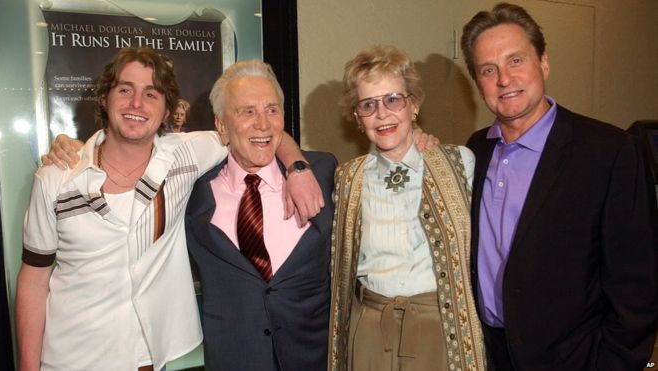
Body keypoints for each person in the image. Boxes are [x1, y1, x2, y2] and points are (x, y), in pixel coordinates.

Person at [15, 47, 323, 371]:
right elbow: (34, 279)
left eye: (151, 94)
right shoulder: (55, 179)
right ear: (104, 99)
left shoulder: (185, 157)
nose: (137, 104)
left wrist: (297, 167)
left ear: (166, 112)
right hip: (69, 360)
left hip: (150, 360)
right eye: (125, 90)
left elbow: (260, 130)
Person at [461, 3, 658, 370]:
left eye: (516, 60)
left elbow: (638, 285)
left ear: (544, 64)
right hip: (490, 354)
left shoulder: (610, 151)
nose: (504, 78)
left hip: (575, 359)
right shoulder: (475, 149)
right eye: (488, 69)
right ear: (478, 83)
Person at [328, 45, 487, 371]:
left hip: (440, 330)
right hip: (370, 328)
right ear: (357, 117)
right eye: (368, 104)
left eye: (393, 99)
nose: (382, 113)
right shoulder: (347, 178)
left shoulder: (459, 163)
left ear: (413, 105)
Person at [184, 59, 337, 371]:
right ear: (222, 126)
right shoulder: (192, 194)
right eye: (247, 111)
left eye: (272, 109)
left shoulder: (323, 173)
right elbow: (133, 148)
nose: (263, 124)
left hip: (314, 360)